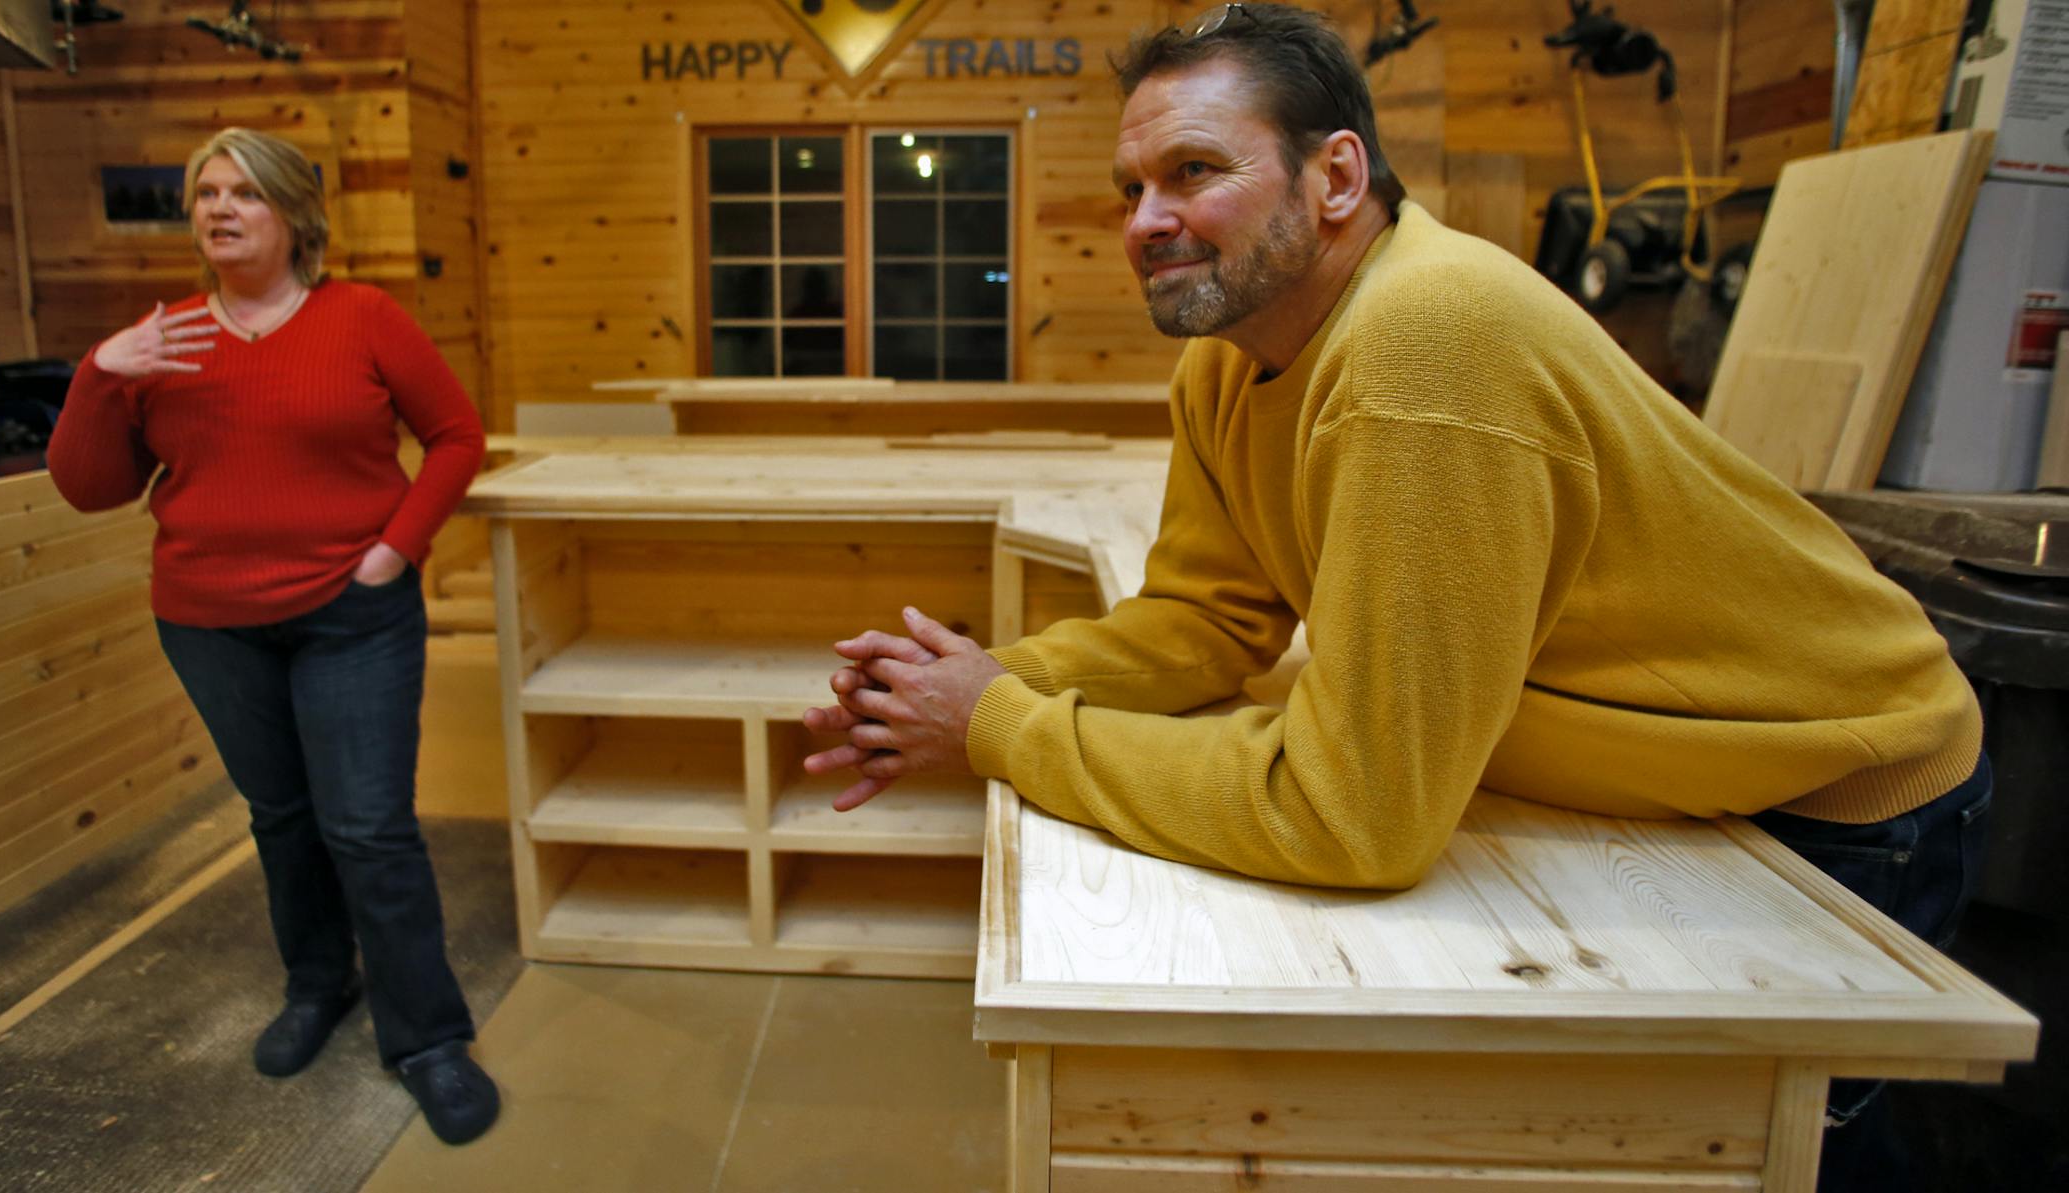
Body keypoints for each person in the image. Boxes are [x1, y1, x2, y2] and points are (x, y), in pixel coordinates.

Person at [801, 6, 1985, 1190]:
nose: (1148, 220)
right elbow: (1208, 622)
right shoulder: (1227, 357)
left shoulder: (1425, 345)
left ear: (1336, 175)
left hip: (1833, 790)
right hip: (1659, 751)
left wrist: (1002, 730)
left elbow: (1355, 816)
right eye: (1131, 189)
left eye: (1195, 171)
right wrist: (976, 681)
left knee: (1787, 1162)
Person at [47, 127, 497, 1146]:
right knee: (282, 816)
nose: (218, 207)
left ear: (295, 214)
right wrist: (99, 373)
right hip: (209, 622)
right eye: (205, 192)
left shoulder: (363, 317)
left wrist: (394, 549)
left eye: (243, 191)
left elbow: (457, 436)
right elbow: (91, 488)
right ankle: (316, 982)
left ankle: (427, 1038)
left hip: (353, 616)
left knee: (369, 826)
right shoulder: (159, 343)